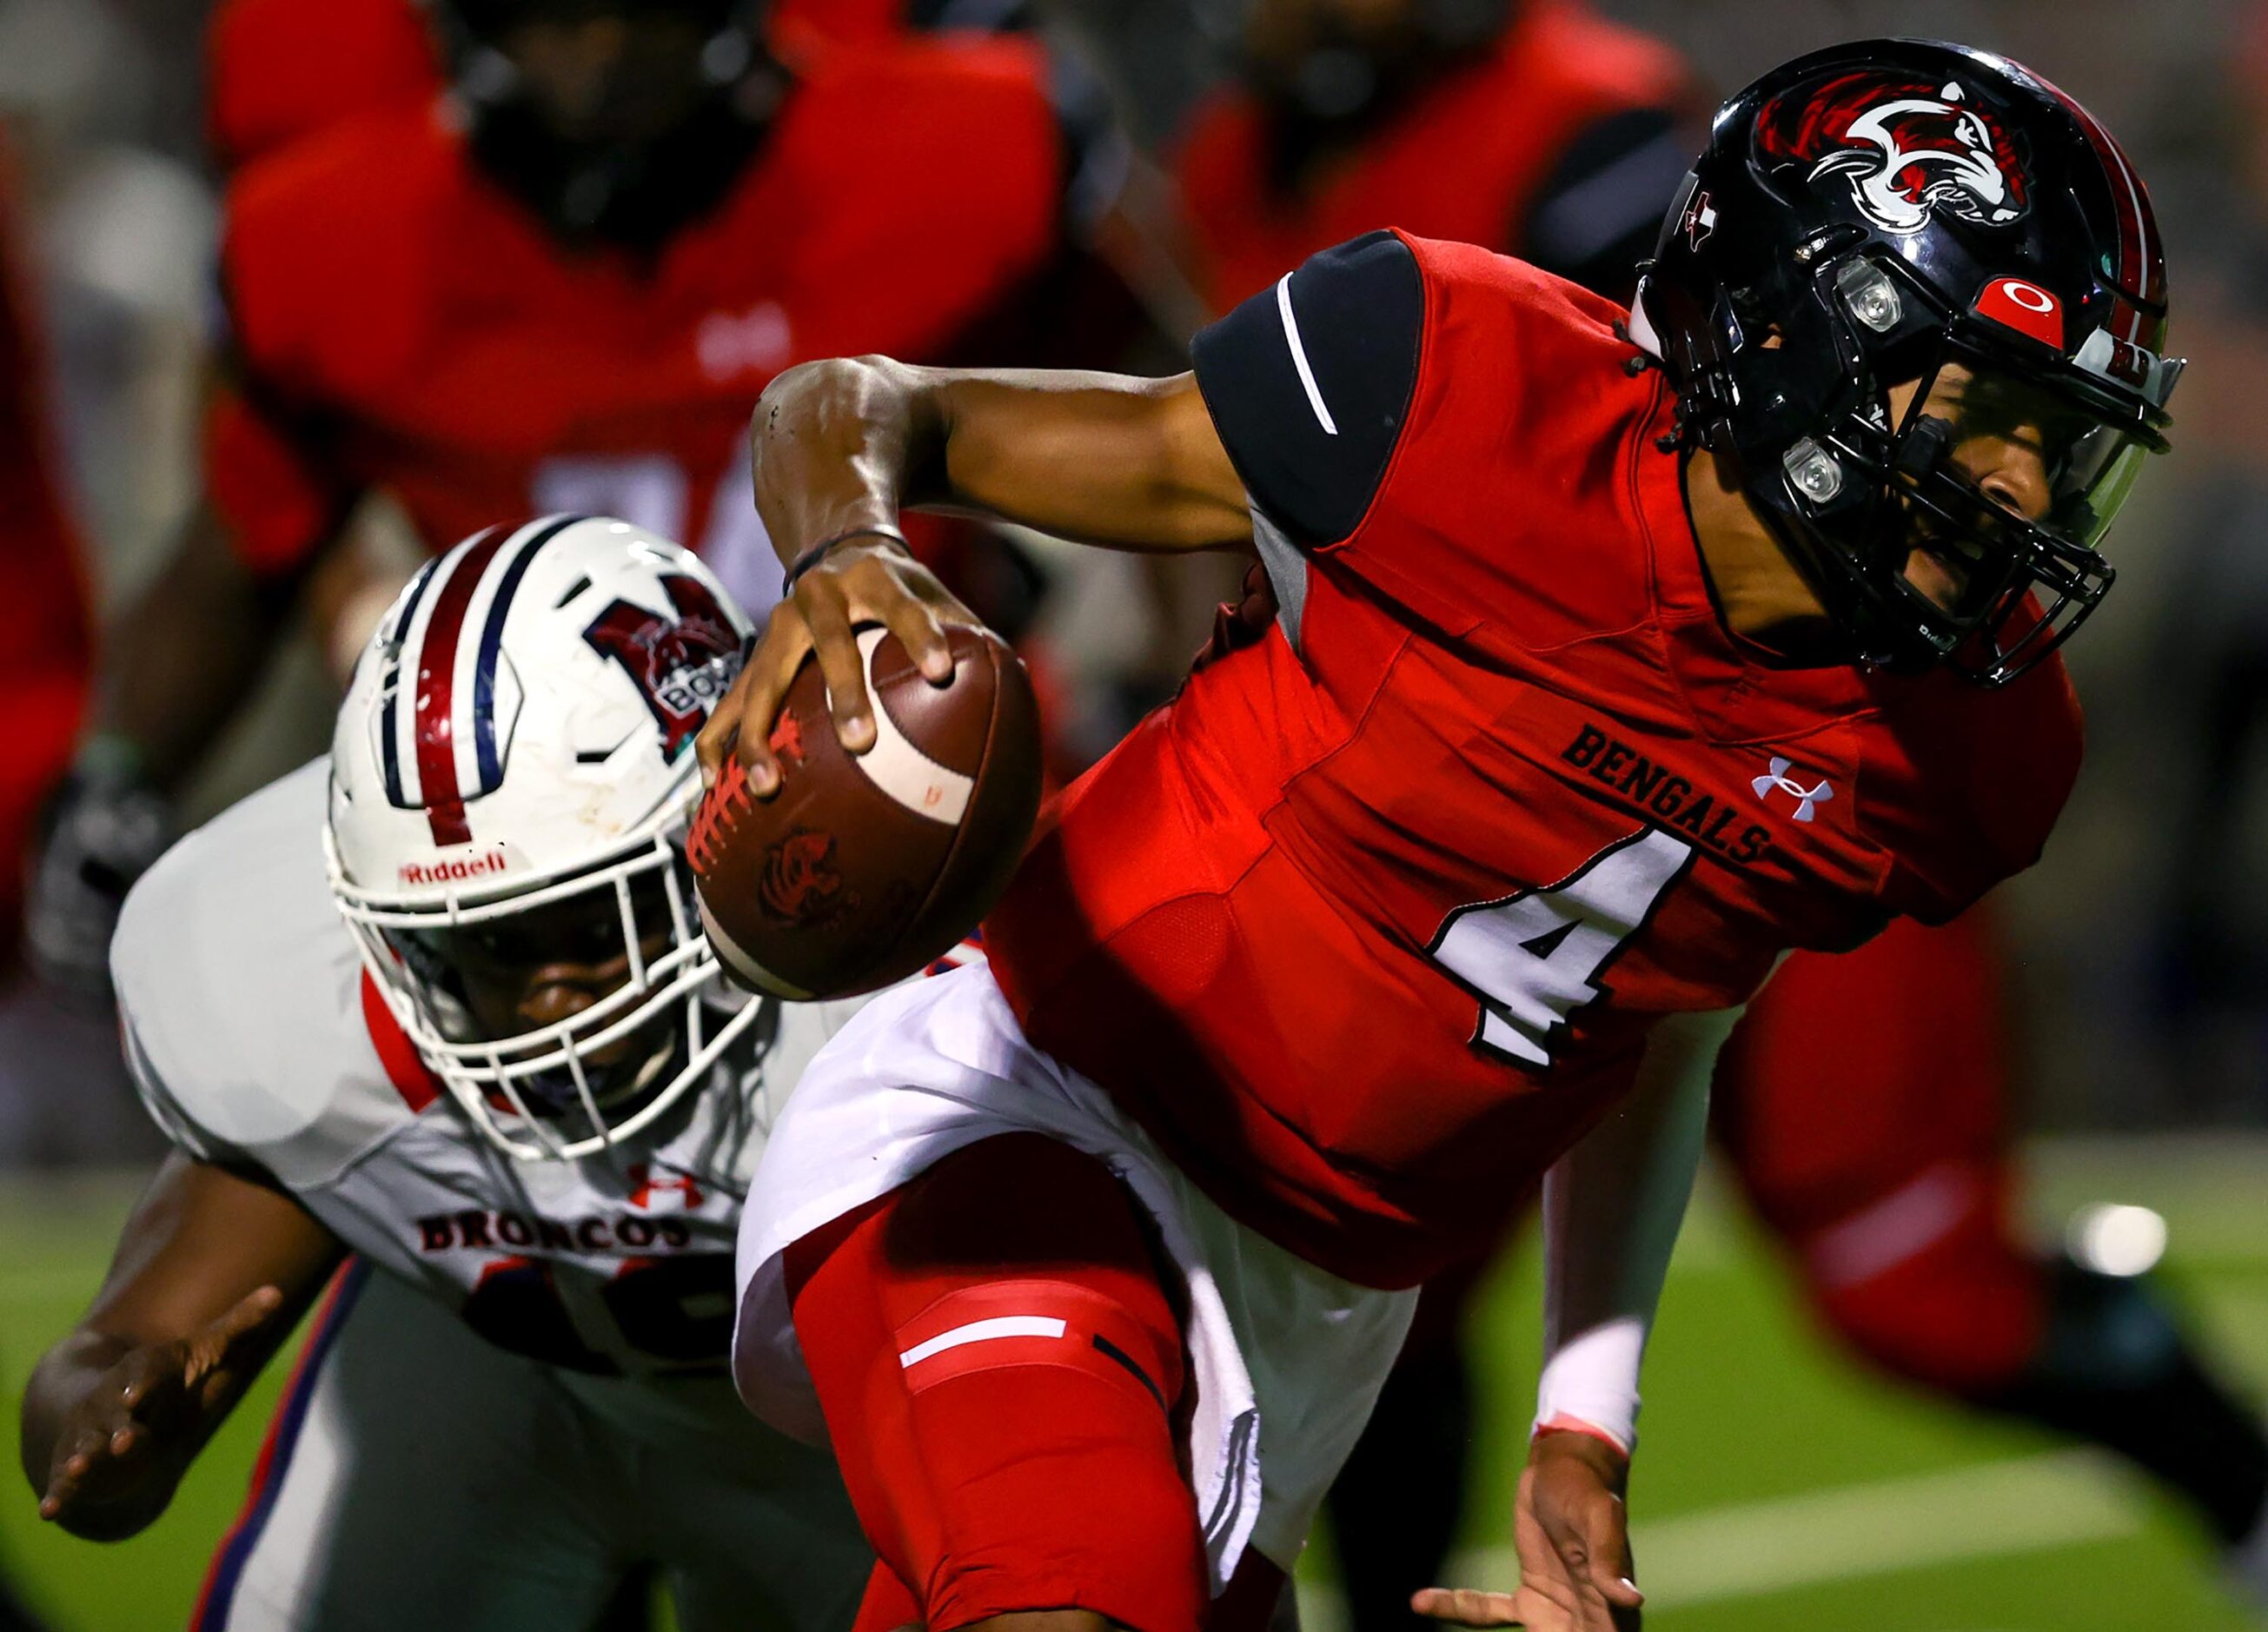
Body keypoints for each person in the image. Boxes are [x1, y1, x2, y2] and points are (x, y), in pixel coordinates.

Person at [708, 38, 2180, 1632]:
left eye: (2061, 432)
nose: (2027, 483)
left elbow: (1660, 1023)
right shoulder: (1456, 388)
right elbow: (862, 406)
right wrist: (848, 547)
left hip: (1314, 1310)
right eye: (1984, 409)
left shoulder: (1962, 753)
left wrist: (1584, 1417)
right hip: (1038, 1107)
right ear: (1803, 337)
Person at [1161, 5, 2268, 1621]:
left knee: (1915, 1284)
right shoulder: (1223, 161)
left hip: (1780, 748)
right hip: (1455, 794)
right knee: (1369, 1259)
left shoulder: (1589, 127)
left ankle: (2243, 1489)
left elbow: (1676, 454)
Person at [26, 0, 1081, 1002]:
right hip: (531, 891)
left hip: (884, 825)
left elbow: (1160, 410)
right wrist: (116, 776)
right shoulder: (337, 243)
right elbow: (246, 548)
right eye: (555, 18)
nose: (602, 60)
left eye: (637, 14)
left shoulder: (961, 150)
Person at [19, 517, 952, 1631]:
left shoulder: (895, 1001)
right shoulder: (293, 997)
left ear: (731, 822)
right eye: (485, 946)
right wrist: (104, 1425)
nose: (547, 999)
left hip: (839, 1454)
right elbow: (114, 1361)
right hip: (504, 1392)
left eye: (582, 925)